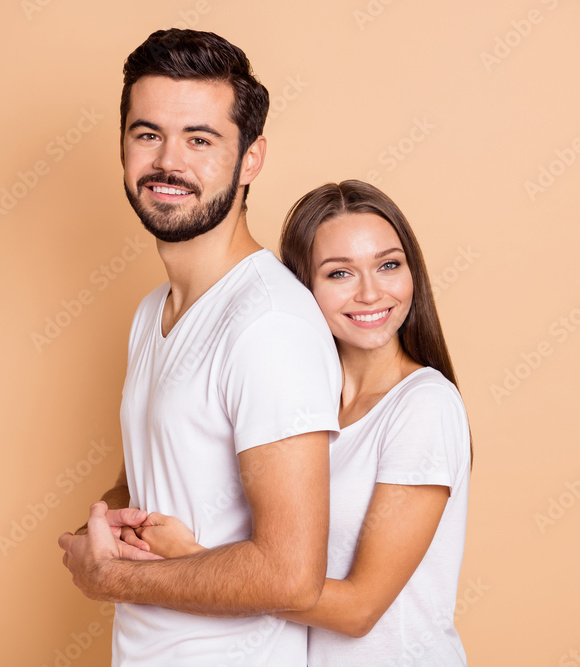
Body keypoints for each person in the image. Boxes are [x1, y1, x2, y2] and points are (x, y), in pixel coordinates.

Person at [57, 29, 342, 667]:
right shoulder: (151, 312)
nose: (168, 162)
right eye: (147, 134)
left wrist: (111, 578)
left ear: (251, 159)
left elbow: (291, 575)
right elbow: (151, 476)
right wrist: (98, 532)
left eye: (200, 139)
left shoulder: (269, 324)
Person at [135, 180, 472, 665]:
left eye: (388, 265)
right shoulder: (298, 406)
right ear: (303, 287)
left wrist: (188, 558)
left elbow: (359, 609)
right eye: (340, 273)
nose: (371, 292)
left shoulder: (425, 406)